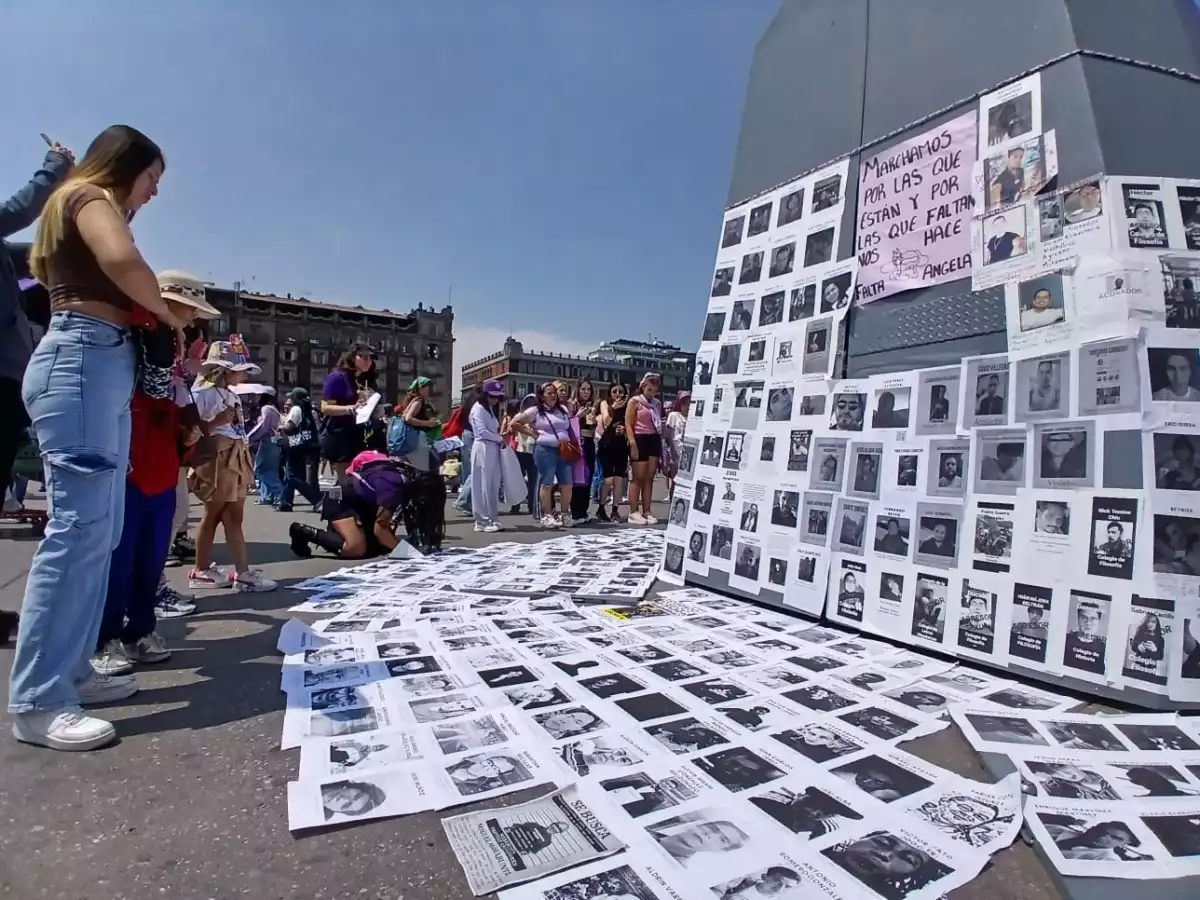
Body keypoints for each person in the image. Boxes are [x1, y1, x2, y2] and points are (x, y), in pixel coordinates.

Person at [8, 125, 191, 752]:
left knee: (101, 532)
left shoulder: (85, 203)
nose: (153, 192)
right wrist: (164, 312)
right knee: (79, 531)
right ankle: (39, 698)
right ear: (124, 164)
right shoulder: (88, 196)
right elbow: (121, 261)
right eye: (151, 178)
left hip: (100, 360)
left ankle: (73, 668)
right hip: (83, 357)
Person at [91, 271, 217, 677]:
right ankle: (104, 637)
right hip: (129, 455)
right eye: (189, 309)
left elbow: (175, 397)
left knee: (152, 552)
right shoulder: (131, 331)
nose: (194, 318)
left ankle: (140, 630)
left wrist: (188, 429)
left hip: (161, 458)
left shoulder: (172, 343)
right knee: (120, 554)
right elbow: (144, 390)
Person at [185, 340, 277, 592]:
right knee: (213, 514)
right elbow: (190, 432)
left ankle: (242, 572)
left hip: (235, 455)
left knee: (234, 516)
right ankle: (202, 569)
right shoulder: (201, 393)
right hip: (218, 457)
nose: (244, 375)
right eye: (240, 370)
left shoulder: (231, 394)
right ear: (224, 369)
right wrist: (217, 421)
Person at [289, 450, 442, 558]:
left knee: (377, 547)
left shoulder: (406, 476)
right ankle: (302, 531)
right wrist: (410, 553)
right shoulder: (394, 487)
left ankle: (339, 533)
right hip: (339, 497)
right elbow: (380, 528)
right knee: (356, 548)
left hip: (359, 500)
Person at [506, 382, 576, 529]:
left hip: (563, 449)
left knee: (567, 483)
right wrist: (533, 434)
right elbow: (515, 422)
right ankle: (547, 515)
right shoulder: (535, 411)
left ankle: (564, 514)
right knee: (547, 482)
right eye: (549, 393)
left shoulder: (563, 409)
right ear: (542, 396)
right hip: (545, 449)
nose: (553, 395)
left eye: (554, 393)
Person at [320, 344, 373, 476]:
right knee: (346, 479)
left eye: (370, 357)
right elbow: (325, 407)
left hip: (352, 436)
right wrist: (350, 409)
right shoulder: (337, 377)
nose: (368, 360)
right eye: (363, 356)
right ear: (352, 357)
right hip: (340, 437)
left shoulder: (353, 379)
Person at [468, 378, 506, 533]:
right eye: (492, 396)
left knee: (492, 485)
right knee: (481, 484)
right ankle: (481, 521)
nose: (495, 399)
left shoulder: (490, 409)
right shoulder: (478, 409)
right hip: (482, 446)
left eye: (497, 396)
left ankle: (492, 517)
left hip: (492, 447)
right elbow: (481, 431)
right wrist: (499, 438)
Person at [625, 373, 663, 525]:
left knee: (649, 477)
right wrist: (632, 443)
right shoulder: (635, 401)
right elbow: (628, 424)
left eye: (654, 390)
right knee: (638, 477)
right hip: (639, 438)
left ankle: (647, 510)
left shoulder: (657, 403)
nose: (651, 393)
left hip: (654, 438)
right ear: (643, 387)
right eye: (649, 390)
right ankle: (633, 511)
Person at [278, 386, 323, 511]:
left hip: (293, 445)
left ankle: (317, 499)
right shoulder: (307, 409)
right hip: (302, 445)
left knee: (292, 477)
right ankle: (285, 502)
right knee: (292, 474)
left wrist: (281, 427)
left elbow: (290, 428)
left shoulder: (296, 409)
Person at [595, 382, 629, 522]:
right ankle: (601, 507)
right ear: (610, 393)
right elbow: (606, 421)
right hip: (607, 444)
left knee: (619, 479)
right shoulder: (605, 404)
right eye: (614, 391)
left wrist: (625, 429)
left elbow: (630, 424)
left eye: (620, 391)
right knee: (608, 479)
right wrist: (614, 408)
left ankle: (615, 510)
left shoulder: (627, 406)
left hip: (621, 445)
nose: (617, 394)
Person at [396, 376, 441, 471]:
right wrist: (428, 423)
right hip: (417, 441)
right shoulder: (418, 401)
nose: (430, 390)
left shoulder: (411, 401)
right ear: (421, 389)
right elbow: (408, 418)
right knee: (421, 469)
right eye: (428, 387)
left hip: (410, 440)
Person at [568, 379, 598, 524]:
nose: (586, 392)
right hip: (577, 443)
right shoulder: (572, 405)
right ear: (578, 390)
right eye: (583, 389)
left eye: (588, 389)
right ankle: (575, 512)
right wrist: (578, 416)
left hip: (589, 442)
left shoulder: (591, 406)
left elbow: (593, 427)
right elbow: (567, 422)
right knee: (578, 478)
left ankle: (583, 511)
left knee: (588, 477)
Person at [247, 392, 284, 505]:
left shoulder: (266, 409)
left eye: (258, 396)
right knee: (270, 469)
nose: (256, 398)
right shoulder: (274, 409)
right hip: (275, 441)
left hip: (268, 441)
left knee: (261, 469)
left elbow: (263, 426)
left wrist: (249, 438)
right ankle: (266, 496)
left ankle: (281, 493)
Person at [510, 395, 538, 516]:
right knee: (519, 479)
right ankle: (516, 504)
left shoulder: (538, 416)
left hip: (533, 451)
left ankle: (532, 505)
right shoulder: (520, 416)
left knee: (533, 480)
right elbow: (512, 427)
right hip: (520, 450)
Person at [452, 386, 477, 516]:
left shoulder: (467, 400)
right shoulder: (480, 403)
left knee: (467, 470)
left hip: (465, 434)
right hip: (474, 435)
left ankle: (468, 503)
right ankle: (463, 501)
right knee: (476, 470)